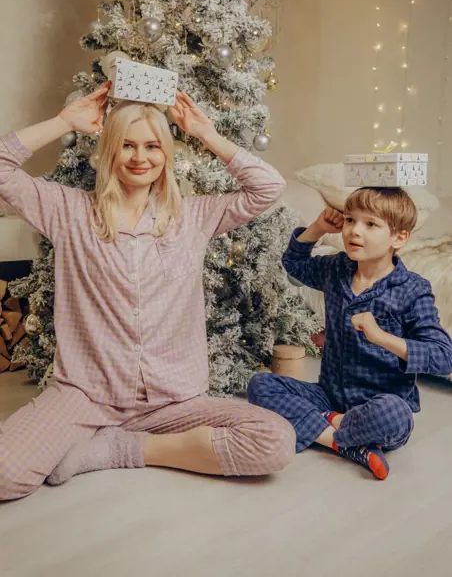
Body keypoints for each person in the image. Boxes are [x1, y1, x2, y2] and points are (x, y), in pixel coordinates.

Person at [0, 85, 296, 501]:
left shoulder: (193, 217)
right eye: (127, 145)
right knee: (4, 473)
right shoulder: (67, 211)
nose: (140, 157)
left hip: (173, 403)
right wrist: (64, 122)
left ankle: (120, 447)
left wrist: (206, 134)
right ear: (109, 151)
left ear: (166, 155)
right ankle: (99, 433)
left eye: (153, 146)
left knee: (274, 441)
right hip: (86, 397)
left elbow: (267, 186)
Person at [248, 187, 452, 480]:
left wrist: (381, 336)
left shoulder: (412, 289)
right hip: (329, 397)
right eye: (349, 220)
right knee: (260, 386)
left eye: (371, 224)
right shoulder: (336, 268)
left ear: (399, 237)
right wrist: (318, 228)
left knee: (395, 416)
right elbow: (293, 264)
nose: (355, 231)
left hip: (380, 403)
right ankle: (344, 442)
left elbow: (445, 357)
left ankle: (324, 428)